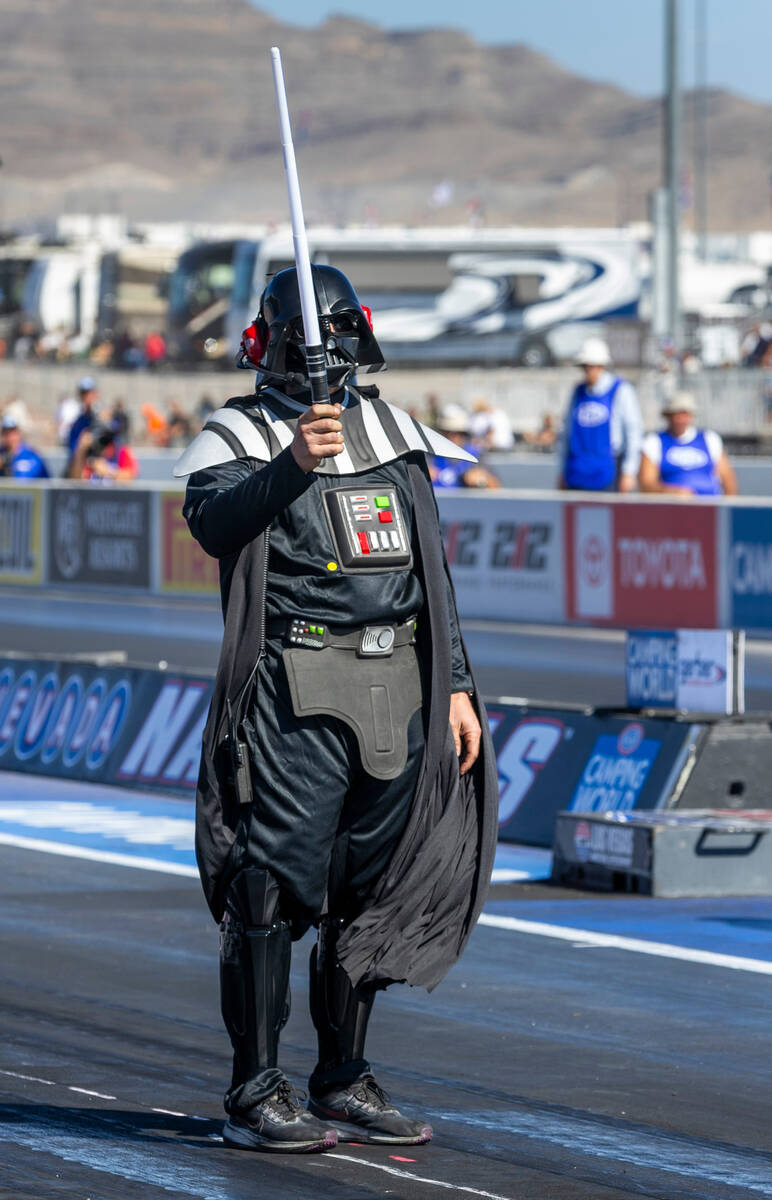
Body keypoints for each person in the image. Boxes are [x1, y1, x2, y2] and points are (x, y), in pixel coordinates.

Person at [177, 266, 497, 1155]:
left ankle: (343, 1078)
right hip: (294, 687)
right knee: (268, 888)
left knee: (371, 893)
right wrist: (293, 463)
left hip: (399, 683)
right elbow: (213, 523)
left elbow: (431, 577)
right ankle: (255, 1089)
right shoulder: (238, 433)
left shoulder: (396, 434)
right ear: (270, 341)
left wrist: (459, 684)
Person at [559, 338, 642, 492]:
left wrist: (629, 471)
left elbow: (633, 431)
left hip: (608, 472)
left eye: (592, 366)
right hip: (577, 471)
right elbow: (566, 432)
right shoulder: (578, 392)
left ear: (601, 366)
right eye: (585, 367)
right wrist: (562, 471)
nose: (588, 371)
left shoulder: (621, 390)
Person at [639, 391, 738, 497]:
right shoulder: (654, 442)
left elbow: (728, 478)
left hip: (708, 505)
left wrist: (729, 506)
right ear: (668, 416)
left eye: (685, 414)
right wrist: (672, 493)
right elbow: (646, 483)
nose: (681, 419)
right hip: (671, 507)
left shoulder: (709, 439)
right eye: (677, 414)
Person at [429, 406, 500, 489]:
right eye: (447, 432)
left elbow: (496, 486)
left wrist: (482, 480)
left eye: (458, 433)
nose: (452, 437)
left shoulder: (474, 456)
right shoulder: (428, 455)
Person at [67, 423, 139, 482]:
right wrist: (81, 450)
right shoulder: (90, 453)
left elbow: (131, 475)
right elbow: (76, 478)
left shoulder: (122, 451)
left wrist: (108, 471)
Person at [0, 415, 50, 479]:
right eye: (6, 433)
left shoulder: (31, 455)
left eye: (13, 432)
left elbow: (45, 480)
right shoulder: (1, 453)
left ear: (19, 433)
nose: (10, 437)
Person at [67, 377, 100, 454]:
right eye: (83, 393)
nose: (86, 397)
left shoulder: (104, 419)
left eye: (88, 393)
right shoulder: (78, 423)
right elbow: (73, 449)